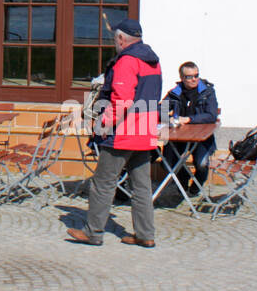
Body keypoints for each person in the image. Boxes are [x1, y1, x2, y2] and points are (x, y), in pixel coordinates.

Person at [68, 18, 163, 248]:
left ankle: (93, 232)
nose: (115, 43)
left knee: (103, 183)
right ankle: (145, 234)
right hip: (145, 130)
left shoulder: (127, 61)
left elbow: (122, 100)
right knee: (141, 186)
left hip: (123, 132)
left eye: (115, 39)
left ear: (121, 39)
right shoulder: (153, 61)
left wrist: (103, 125)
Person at [163, 61, 219, 191]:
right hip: (178, 137)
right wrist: (168, 118)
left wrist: (189, 119)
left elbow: (211, 115)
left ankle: (197, 184)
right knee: (168, 163)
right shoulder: (175, 93)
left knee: (202, 164)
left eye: (196, 75)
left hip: (202, 137)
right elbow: (161, 109)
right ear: (182, 78)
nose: (194, 79)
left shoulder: (207, 92)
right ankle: (182, 180)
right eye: (189, 77)